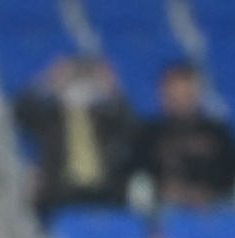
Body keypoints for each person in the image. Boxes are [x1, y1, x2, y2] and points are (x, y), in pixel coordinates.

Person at [14, 56, 136, 215]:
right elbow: (19, 112)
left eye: (84, 86)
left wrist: (112, 88)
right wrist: (47, 81)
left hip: (104, 191)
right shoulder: (48, 119)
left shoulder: (105, 120)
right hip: (60, 192)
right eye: (72, 84)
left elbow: (130, 127)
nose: (78, 91)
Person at [131, 63, 235, 208]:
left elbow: (228, 174)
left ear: (197, 95)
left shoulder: (217, 133)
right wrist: (164, 189)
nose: (180, 101)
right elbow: (135, 175)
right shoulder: (148, 135)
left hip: (215, 209)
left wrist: (206, 194)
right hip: (161, 210)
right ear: (162, 95)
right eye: (174, 95)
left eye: (186, 95)